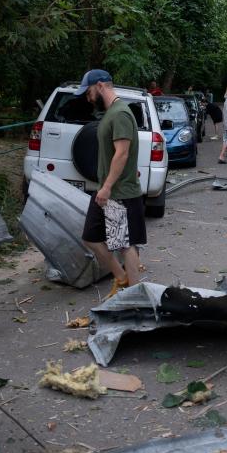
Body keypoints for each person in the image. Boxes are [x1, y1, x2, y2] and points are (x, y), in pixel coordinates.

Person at [76, 69, 146, 295]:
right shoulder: (111, 113)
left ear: (100, 85)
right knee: (91, 238)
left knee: (126, 244)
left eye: (88, 92)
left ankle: (135, 295)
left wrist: (106, 187)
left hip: (119, 191)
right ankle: (122, 278)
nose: (87, 98)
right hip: (108, 190)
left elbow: (122, 153)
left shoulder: (120, 114)